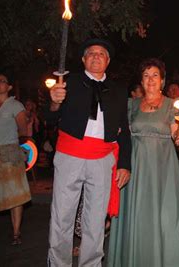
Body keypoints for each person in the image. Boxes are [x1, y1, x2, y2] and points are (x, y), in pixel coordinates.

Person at [46, 38, 132, 266]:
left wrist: (124, 163)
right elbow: (51, 118)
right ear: (84, 59)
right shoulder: (68, 82)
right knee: (62, 217)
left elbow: (124, 129)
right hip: (70, 155)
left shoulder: (118, 90)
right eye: (91, 53)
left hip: (102, 159)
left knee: (95, 220)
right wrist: (54, 102)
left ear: (108, 61)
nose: (96, 56)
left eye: (101, 53)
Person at [107, 58, 179, 267]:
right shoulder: (131, 105)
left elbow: (177, 134)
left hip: (162, 169)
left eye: (155, 75)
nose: (151, 79)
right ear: (141, 81)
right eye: (146, 75)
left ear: (162, 80)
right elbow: (121, 134)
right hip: (135, 166)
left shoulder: (172, 106)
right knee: (135, 215)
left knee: (164, 215)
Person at [0, 73, 30, 245]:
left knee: (15, 195)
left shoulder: (15, 105)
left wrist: (9, 142)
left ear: (9, 87)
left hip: (9, 153)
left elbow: (24, 130)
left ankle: (16, 232)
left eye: (2, 81)